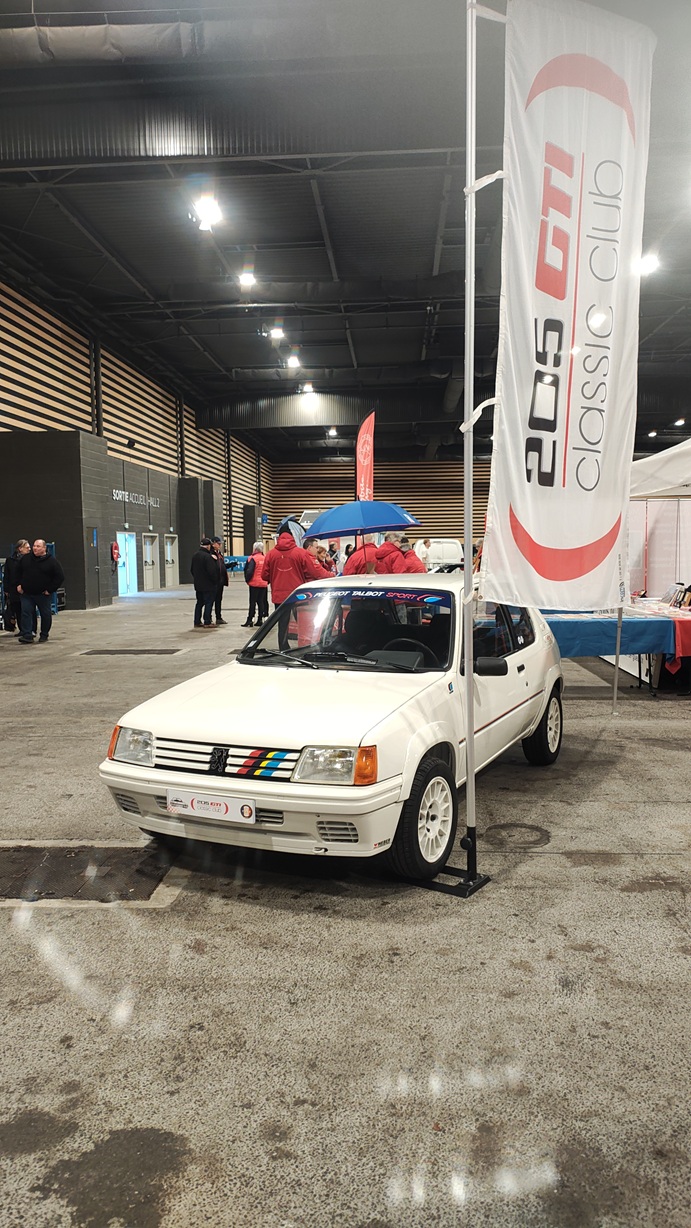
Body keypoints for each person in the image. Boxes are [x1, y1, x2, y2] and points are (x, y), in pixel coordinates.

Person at [263, 530, 330, 649]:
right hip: (298, 594)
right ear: (292, 538)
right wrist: (331, 576)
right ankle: (307, 645)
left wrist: (275, 577)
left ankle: (283, 647)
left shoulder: (270, 554)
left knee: (283, 623)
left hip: (279, 595)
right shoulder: (301, 553)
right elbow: (314, 572)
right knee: (303, 621)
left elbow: (264, 575)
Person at [15, 539, 65, 644]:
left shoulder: (51, 561)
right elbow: (17, 572)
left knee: (45, 614)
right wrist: (19, 584)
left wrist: (50, 590)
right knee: (26, 613)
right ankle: (27, 635)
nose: (35, 548)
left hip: (43, 594)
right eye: (34, 546)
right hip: (27, 593)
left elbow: (59, 577)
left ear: (44, 548)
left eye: (38, 546)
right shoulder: (26, 559)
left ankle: (44, 634)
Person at [190, 537, 220, 630]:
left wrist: (197, 579)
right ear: (208, 546)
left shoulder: (195, 555)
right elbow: (211, 572)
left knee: (199, 603)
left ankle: (197, 621)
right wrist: (215, 581)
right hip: (208, 585)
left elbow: (192, 570)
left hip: (198, 584)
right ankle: (207, 621)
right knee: (208, 602)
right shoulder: (208, 557)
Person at [3, 539, 31, 633]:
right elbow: (7, 576)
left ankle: (30, 630)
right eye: (27, 547)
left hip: (26, 589)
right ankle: (22, 630)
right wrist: (6, 589)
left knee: (27, 610)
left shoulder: (31, 560)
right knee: (18, 609)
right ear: (20, 548)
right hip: (14, 589)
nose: (29, 549)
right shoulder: (10, 560)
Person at [242, 541, 269, 628]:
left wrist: (247, 580)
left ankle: (250, 619)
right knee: (261, 602)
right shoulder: (265, 558)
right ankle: (260, 619)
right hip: (263, 583)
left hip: (254, 583)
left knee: (252, 602)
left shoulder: (252, 558)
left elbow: (249, 571)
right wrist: (267, 581)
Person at [211, 537, 229, 625]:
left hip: (220, 581)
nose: (220, 545)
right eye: (218, 544)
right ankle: (208, 618)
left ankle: (218, 617)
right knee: (211, 600)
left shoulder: (219, 554)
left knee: (218, 600)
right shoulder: (210, 554)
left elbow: (222, 566)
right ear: (213, 543)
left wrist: (230, 565)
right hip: (214, 581)